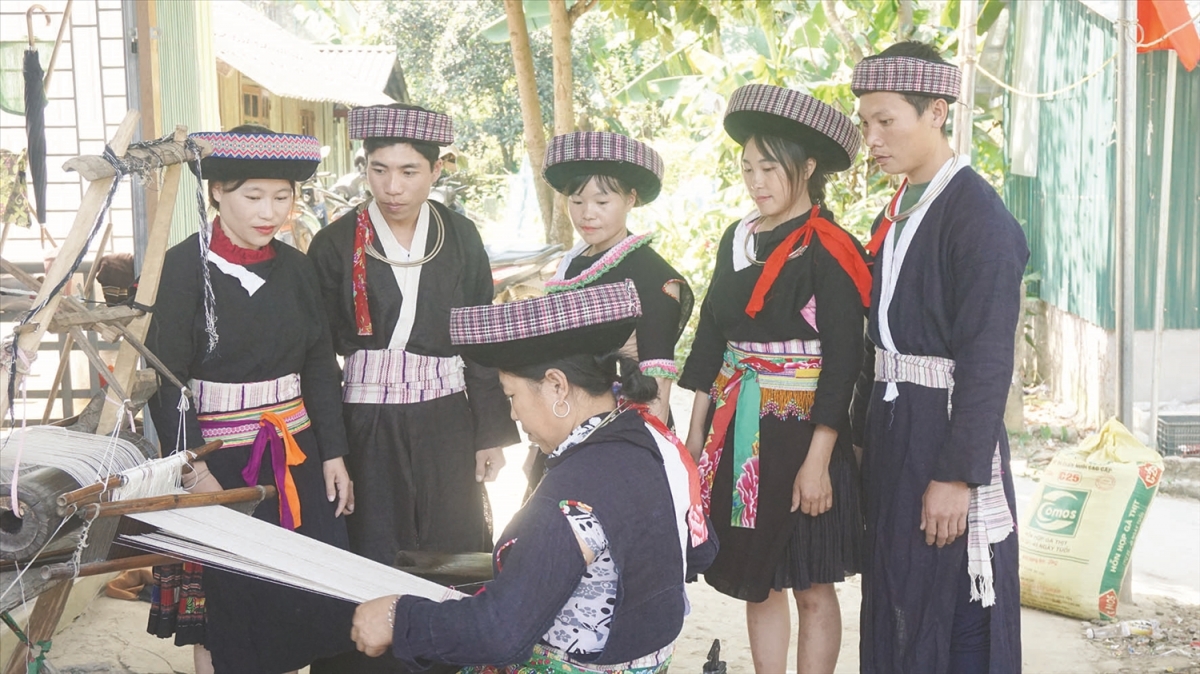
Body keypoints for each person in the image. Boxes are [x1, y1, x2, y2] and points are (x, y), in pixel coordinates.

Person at [349, 280, 717, 673]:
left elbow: (501, 632)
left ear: (557, 386)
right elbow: (702, 550)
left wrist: (398, 618)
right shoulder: (655, 444)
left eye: (511, 396)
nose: (513, 415)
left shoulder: (569, 497)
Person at [145, 125, 354, 674]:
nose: (270, 212)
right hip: (220, 463)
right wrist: (195, 473)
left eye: (282, 197)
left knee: (298, 596)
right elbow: (167, 381)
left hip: (296, 457)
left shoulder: (297, 268)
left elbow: (318, 363)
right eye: (253, 196)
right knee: (229, 605)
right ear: (217, 191)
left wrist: (332, 453)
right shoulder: (182, 268)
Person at [679, 84, 871, 674]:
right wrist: (691, 443)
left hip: (807, 435)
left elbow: (844, 361)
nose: (756, 180)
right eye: (747, 167)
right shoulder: (735, 241)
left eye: (770, 167)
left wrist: (819, 463)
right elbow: (712, 338)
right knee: (758, 580)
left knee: (811, 582)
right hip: (742, 436)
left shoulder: (831, 249)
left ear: (808, 168)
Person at [850, 41, 1028, 673]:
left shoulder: (979, 219)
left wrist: (957, 475)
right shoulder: (897, 211)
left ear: (937, 113)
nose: (871, 137)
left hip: (944, 434)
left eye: (886, 121)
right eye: (865, 122)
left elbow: (986, 360)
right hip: (896, 431)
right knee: (896, 589)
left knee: (953, 602)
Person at [307, 103, 518, 568]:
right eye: (378, 170)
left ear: (436, 169)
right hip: (364, 420)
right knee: (373, 544)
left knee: (453, 542)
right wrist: (332, 449)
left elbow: (480, 339)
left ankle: (447, 639)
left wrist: (490, 433)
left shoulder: (460, 236)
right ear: (365, 168)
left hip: (446, 419)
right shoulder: (334, 244)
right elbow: (319, 358)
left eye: (409, 171)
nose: (393, 187)